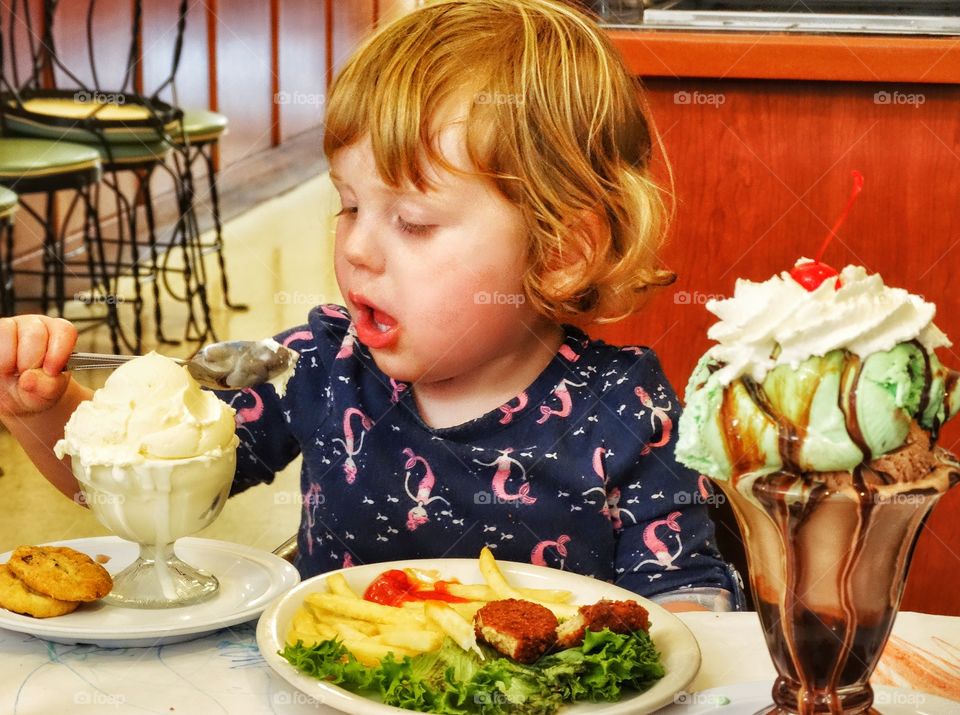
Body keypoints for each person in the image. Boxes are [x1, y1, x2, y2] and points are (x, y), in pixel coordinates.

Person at [0, 0, 743, 612]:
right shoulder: (318, 364)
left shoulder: (625, 407)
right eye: (349, 205)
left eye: (413, 222)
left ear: (558, 251)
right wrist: (46, 406)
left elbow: (690, 607)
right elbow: (149, 479)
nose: (358, 248)